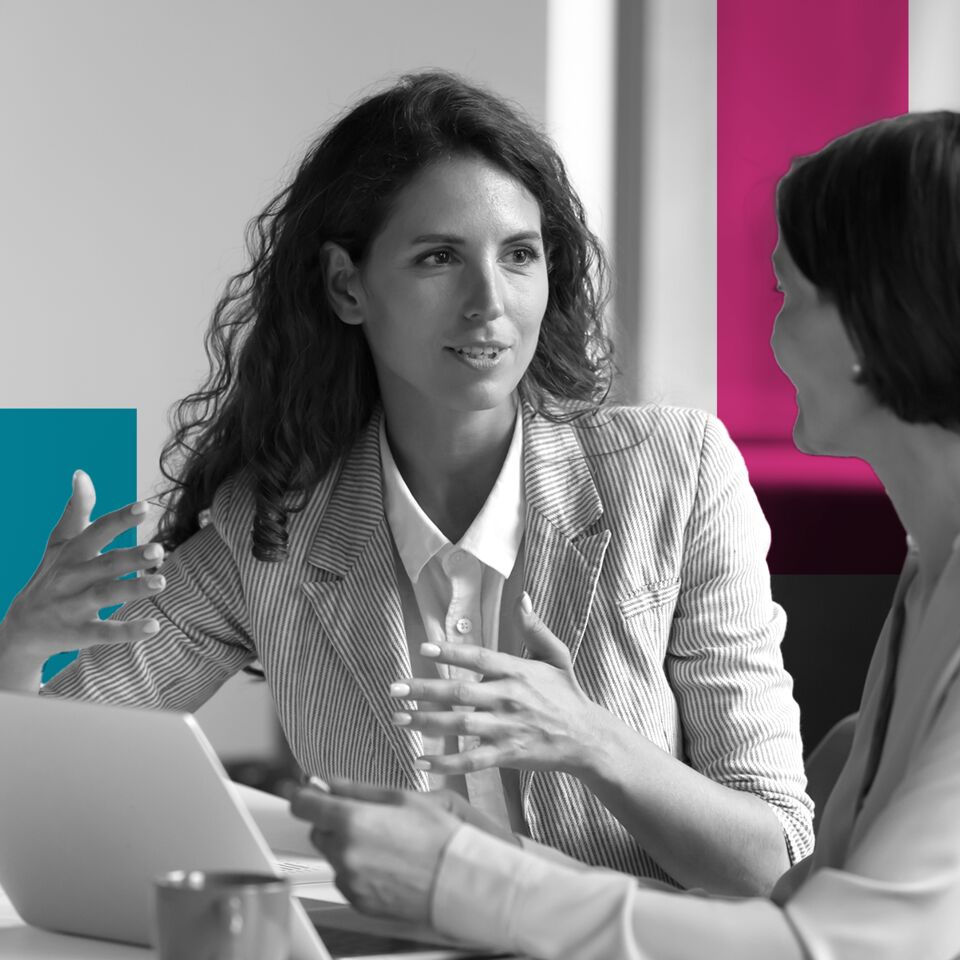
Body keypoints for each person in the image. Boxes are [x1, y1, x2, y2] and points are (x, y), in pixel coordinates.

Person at [0, 71, 812, 894]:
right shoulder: (271, 529)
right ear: (347, 286)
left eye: (519, 256)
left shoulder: (676, 474)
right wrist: (19, 648)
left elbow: (775, 864)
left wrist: (590, 740)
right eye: (438, 259)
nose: (488, 302)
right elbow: (42, 796)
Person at [290, 110, 960, 959]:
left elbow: (836, 944)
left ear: (874, 320)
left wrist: (462, 878)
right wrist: (481, 857)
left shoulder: (681, 471)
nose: (772, 333)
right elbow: (787, 912)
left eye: (790, 295)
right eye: (437, 257)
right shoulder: (928, 576)